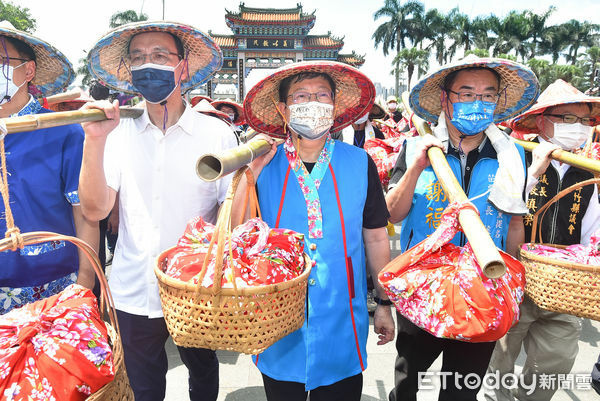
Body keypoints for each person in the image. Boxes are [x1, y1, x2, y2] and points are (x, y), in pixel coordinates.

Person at [78, 21, 237, 401]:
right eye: (138, 58)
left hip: (195, 288)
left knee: (202, 372)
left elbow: (234, 216)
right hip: (134, 287)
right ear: (130, 72)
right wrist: (93, 142)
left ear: (182, 67)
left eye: (160, 56)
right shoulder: (116, 133)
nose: (148, 64)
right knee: (143, 387)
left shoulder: (216, 135)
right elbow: (96, 209)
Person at [233, 60, 395, 401]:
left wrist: (383, 302)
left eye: (322, 95)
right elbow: (237, 232)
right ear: (283, 108)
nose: (313, 103)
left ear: (334, 107)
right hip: (277, 317)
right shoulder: (264, 162)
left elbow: (376, 237)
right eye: (301, 96)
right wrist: (250, 174)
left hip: (343, 316)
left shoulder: (359, 162)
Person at [385, 55, 540, 401]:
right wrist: (417, 167)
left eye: (488, 95)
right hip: (422, 289)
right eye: (467, 93)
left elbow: (515, 223)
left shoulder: (513, 157)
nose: (478, 103)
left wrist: (512, 286)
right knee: (408, 382)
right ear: (446, 98)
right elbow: (392, 214)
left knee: (461, 390)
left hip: (483, 289)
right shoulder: (415, 148)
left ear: (498, 102)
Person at [485, 79, 600, 401]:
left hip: (564, 284)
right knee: (500, 358)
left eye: (584, 121)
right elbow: (497, 208)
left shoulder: (587, 170)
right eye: (566, 118)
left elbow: (592, 228)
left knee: (556, 360)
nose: (577, 128)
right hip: (514, 277)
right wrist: (534, 172)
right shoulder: (514, 156)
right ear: (541, 121)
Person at [0, 22, 97, 313]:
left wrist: (85, 281)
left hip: (54, 286)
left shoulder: (63, 131)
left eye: (2, 61)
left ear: (28, 71)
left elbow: (84, 213)